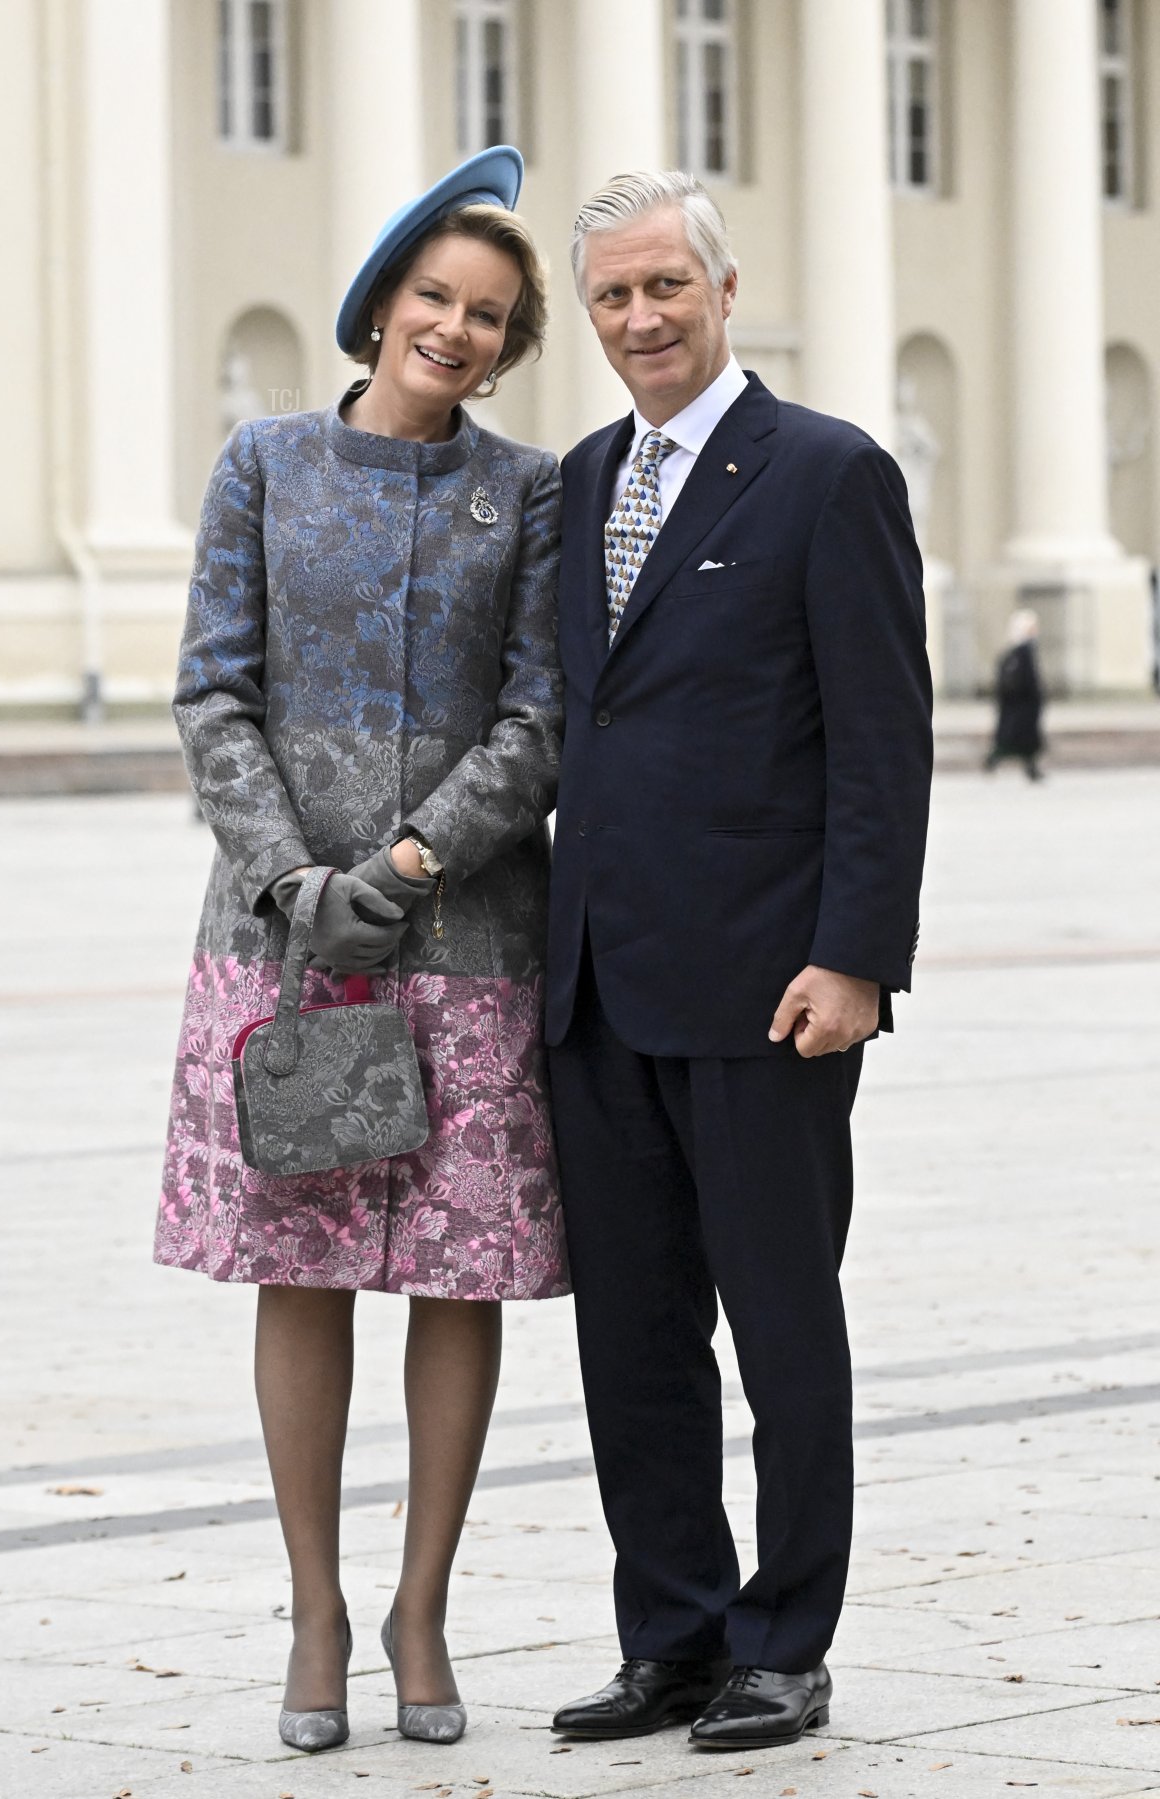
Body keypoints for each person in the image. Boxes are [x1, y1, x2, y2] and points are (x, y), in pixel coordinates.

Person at [154, 147, 567, 1754]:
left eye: (488, 315)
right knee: (306, 1261)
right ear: (383, 301)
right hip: (286, 945)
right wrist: (291, 877)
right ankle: (316, 1607)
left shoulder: (529, 492)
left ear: (508, 344)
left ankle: (421, 1605)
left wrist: (405, 860)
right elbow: (214, 688)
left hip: (469, 936)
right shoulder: (264, 462)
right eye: (434, 297)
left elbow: (540, 714)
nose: (455, 328)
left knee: (460, 1274)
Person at [545, 171, 933, 1753]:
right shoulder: (581, 479)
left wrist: (857, 957)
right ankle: (674, 1634)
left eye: (665, 286)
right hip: (596, 989)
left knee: (781, 1329)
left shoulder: (827, 473)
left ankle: (785, 1643)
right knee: (633, 1341)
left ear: (721, 289)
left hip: (770, 992)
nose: (642, 317)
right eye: (613, 294)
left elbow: (883, 741)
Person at [985, 608, 1045, 780]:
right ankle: (993, 761)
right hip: (1019, 707)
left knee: (1026, 742)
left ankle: (1030, 769)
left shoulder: (1022, 652)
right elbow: (1021, 681)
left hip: (1023, 707)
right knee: (1011, 741)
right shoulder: (1020, 653)